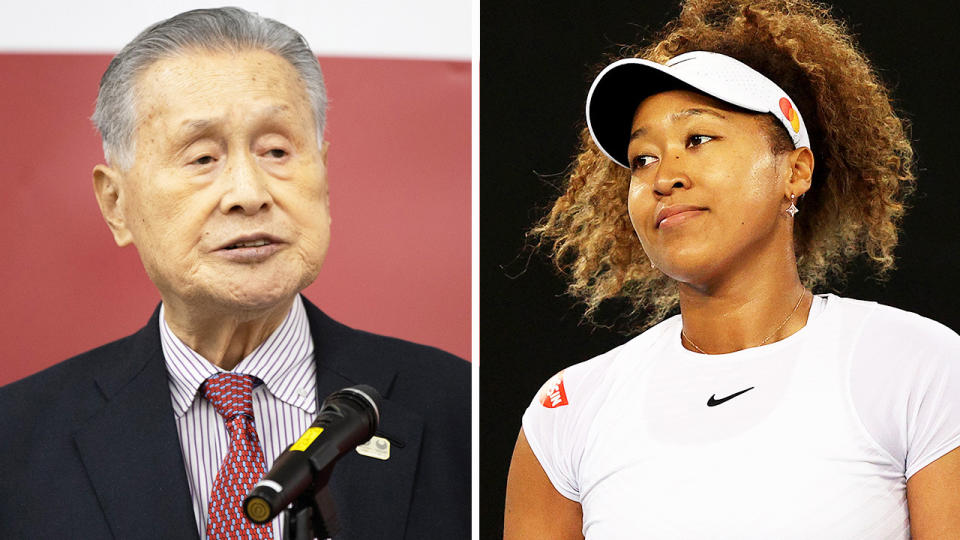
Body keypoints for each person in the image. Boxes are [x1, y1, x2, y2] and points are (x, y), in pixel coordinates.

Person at [0, 7, 469, 540]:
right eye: (202, 158)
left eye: (276, 151)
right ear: (116, 203)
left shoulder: (459, 408)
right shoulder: (14, 440)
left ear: (325, 176)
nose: (249, 194)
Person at [504, 0, 960, 538]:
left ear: (795, 170)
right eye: (641, 159)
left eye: (698, 139)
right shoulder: (567, 410)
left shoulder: (920, 367)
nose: (663, 177)